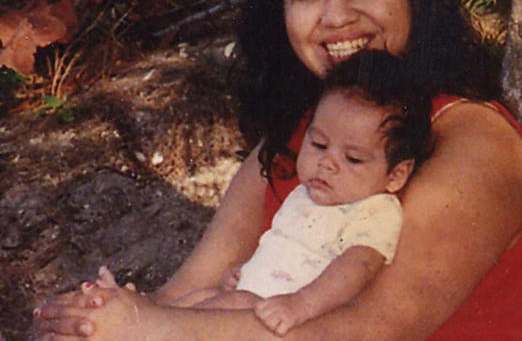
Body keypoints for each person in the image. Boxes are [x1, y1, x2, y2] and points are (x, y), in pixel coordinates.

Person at [34, 0, 522, 339]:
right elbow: (182, 295)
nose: (336, 17)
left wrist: (148, 326)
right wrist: (95, 318)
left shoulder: (472, 141)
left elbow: (375, 327)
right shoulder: (296, 141)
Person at [105, 52, 432, 336]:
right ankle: (131, 310)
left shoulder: (375, 210)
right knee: (195, 301)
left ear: (396, 174)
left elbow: (358, 267)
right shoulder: (308, 195)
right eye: (318, 144)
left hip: (284, 318)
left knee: (206, 313)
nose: (327, 164)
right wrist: (246, 273)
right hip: (254, 297)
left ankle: (134, 322)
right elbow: (281, 249)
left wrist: (301, 305)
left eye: (353, 159)